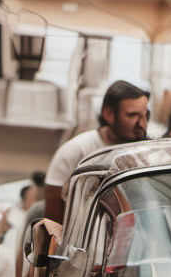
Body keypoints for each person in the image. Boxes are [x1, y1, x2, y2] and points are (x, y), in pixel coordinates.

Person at [44, 80, 150, 223]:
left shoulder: (149, 152)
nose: (141, 124)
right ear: (109, 115)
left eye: (145, 115)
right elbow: (52, 223)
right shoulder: (74, 151)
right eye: (132, 115)